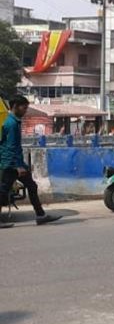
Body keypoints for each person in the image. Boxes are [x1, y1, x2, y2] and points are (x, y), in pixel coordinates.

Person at [0, 95, 60, 226]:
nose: (25, 111)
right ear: (15, 106)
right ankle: (40, 214)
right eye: (24, 108)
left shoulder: (13, 122)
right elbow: (11, 147)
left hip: (14, 163)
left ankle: (40, 215)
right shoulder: (11, 124)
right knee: (3, 191)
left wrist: (22, 164)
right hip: (10, 164)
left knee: (30, 186)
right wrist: (18, 166)